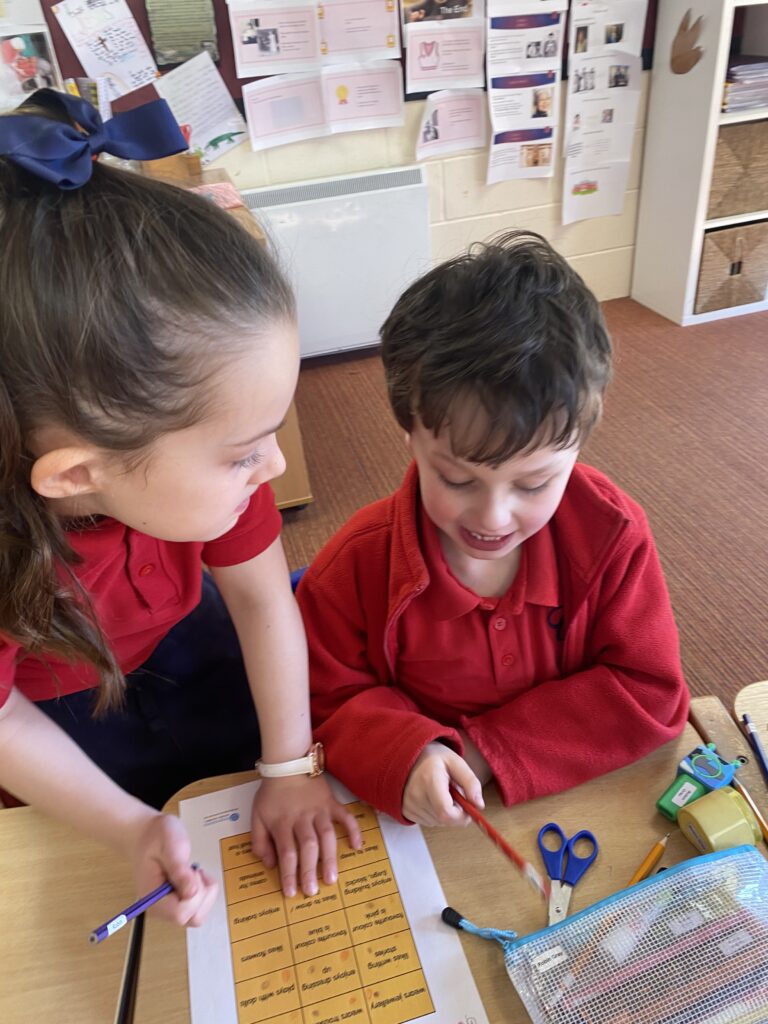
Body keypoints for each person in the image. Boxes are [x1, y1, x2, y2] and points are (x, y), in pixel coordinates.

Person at [0, 89, 360, 927]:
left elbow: (265, 598)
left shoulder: (200, 478)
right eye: (243, 453)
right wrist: (125, 827)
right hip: (56, 718)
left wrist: (288, 768)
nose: (272, 467)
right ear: (77, 475)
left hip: (189, 644)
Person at [297, 231, 689, 828]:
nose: (492, 518)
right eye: (456, 479)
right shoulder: (353, 567)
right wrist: (407, 752)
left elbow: (650, 690)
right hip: (437, 821)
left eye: (533, 485)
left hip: (569, 796)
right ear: (411, 439)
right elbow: (327, 699)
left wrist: (479, 752)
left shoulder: (611, 533)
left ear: (579, 447)